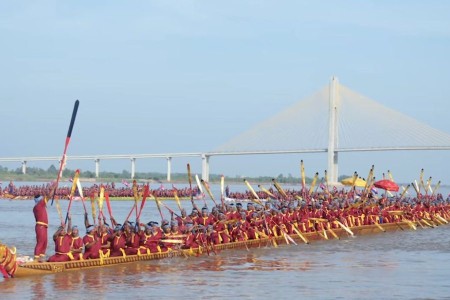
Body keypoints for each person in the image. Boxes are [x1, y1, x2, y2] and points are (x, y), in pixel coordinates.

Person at [33, 194, 48, 262]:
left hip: (44, 227)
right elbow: (49, 196)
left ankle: (41, 258)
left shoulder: (40, 206)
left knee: (45, 243)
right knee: (40, 242)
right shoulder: (39, 205)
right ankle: (36, 259)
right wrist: (54, 188)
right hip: (40, 227)